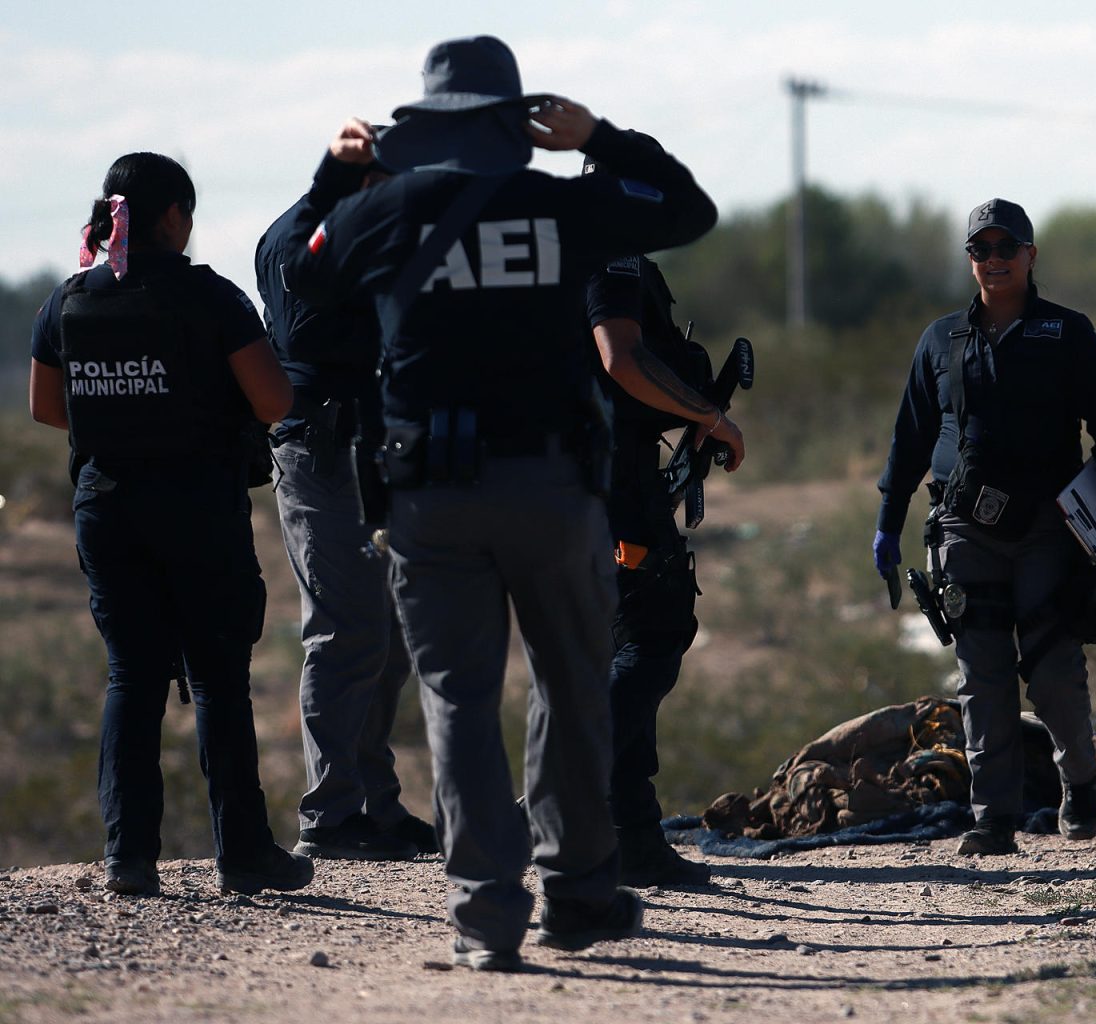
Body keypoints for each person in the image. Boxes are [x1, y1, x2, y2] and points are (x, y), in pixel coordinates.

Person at [274, 36, 717, 971]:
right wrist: (603, 137)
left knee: (457, 702)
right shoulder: (562, 207)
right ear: (516, 124)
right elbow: (688, 209)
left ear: (425, 126)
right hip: (554, 490)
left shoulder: (384, 213)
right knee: (570, 686)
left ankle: (484, 916)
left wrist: (334, 175)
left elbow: (304, 277)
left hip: (430, 502)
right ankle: (577, 893)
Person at [28, 152, 313, 897]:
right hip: (197, 507)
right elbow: (275, 401)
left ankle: (128, 857)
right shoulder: (210, 297)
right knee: (220, 681)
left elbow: (48, 410)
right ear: (173, 217)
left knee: (132, 677)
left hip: (107, 506)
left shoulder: (68, 299)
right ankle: (244, 856)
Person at [874, 198, 1096, 856]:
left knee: (1051, 674)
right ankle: (993, 818)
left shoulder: (1068, 333)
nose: (992, 261)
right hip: (963, 530)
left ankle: (1081, 785)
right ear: (969, 260)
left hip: (1049, 530)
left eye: (1005, 248)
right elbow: (909, 439)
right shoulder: (940, 341)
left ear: (1030, 255)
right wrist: (887, 521)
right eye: (979, 250)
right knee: (982, 677)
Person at [254, 172, 437, 862]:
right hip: (320, 451)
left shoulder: (347, 230)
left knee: (386, 638)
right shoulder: (298, 238)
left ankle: (376, 806)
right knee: (345, 631)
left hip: (368, 450)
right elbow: (310, 326)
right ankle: (330, 816)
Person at [582, 152, 745, 885]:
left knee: (611, 641)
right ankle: (598, 809)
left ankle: (611, 826)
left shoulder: (540, 250)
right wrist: (710, 415)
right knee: (652, 631)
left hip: (570, 477)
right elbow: (621, 360)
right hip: (610, 480)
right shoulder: (606, 253)